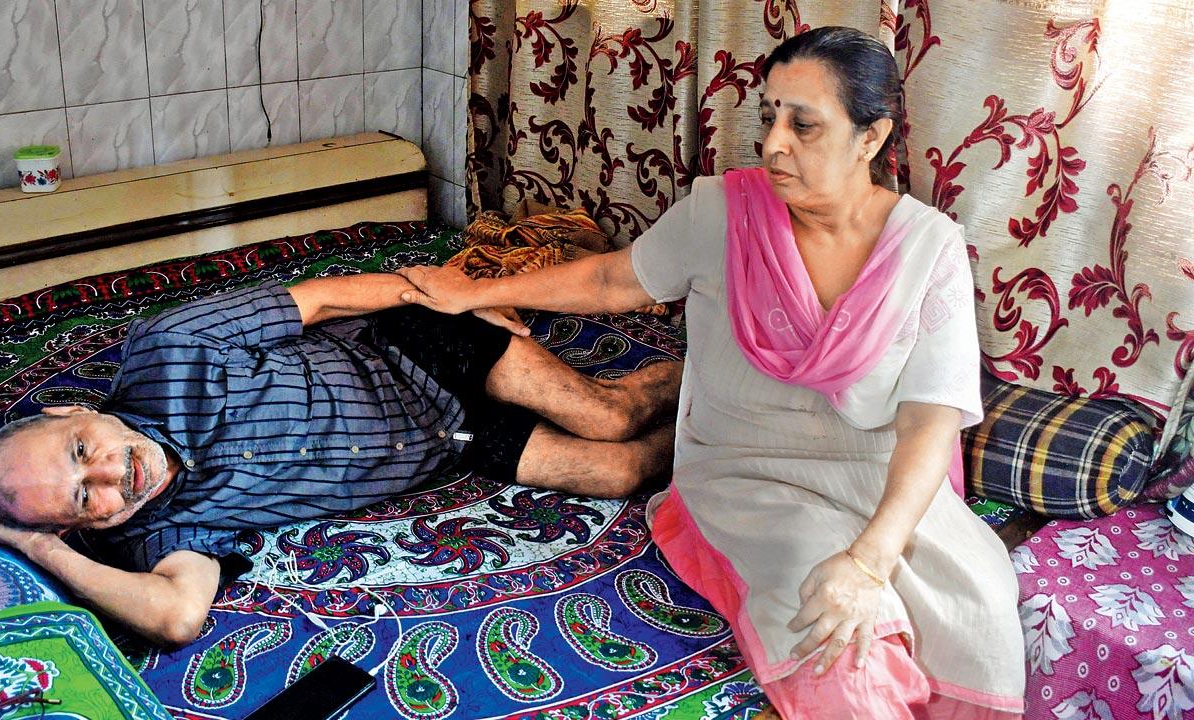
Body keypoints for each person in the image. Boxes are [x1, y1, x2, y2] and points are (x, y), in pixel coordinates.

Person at [394, 26, 1024, 720]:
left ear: (869, 139)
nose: (774, 141)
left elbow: (932, 420)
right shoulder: (724, 213)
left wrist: (873, 557)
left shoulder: (927, 246)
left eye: (803, 124)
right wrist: (471, 290)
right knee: (835, 632)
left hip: (881, 473)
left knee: (983, 607)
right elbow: (612, 280)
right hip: (750, 473)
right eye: (769, 115)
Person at [0, 272, 680, 646]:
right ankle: (741, 423)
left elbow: (323, 301)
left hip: (419, 353)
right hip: (449, 443)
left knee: (607, 415)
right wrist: (38, 547)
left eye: (81, 452)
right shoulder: (160, 531)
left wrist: (464, 299)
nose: (111, 476)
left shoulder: (171, 348)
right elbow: (175, 616)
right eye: (82, 500)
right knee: (622, 472)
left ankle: (725, 367)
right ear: (82, 527)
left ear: (72, 411)